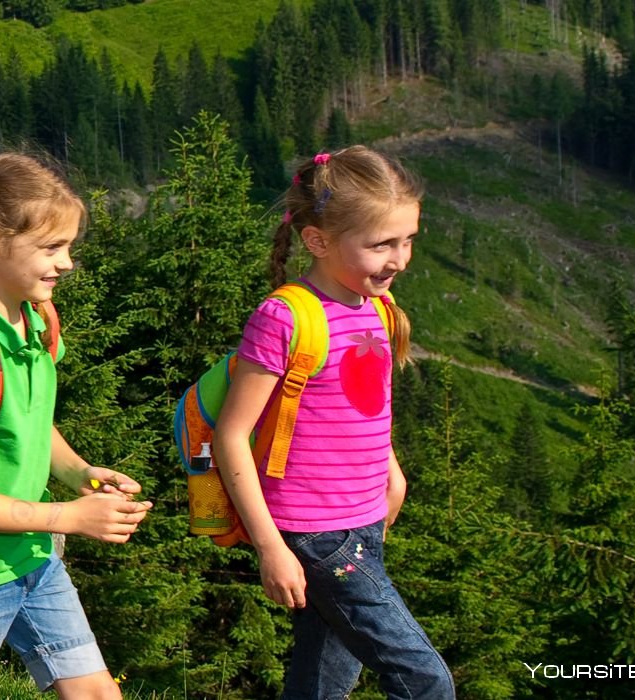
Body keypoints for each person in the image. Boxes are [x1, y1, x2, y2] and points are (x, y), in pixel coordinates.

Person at [0, 152, 151, 700]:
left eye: (68, 248)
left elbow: (32, 427)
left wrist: (81, 472)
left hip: (34, 556)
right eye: (51, 247)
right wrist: (72, 517)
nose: (66, 263)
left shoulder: (33, 322)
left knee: (96, 692)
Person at [212, 146, 454, 699]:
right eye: (380, 245)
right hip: (315, 532)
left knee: (323, 680)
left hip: (365, 519)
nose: (398, 259)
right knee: (425, 680)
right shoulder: (286, 316)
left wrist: (392, 476)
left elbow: (364, 406)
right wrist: (272, 546)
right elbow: (231, 436)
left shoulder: (378, 307)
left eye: (408, 240)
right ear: (318, 240)